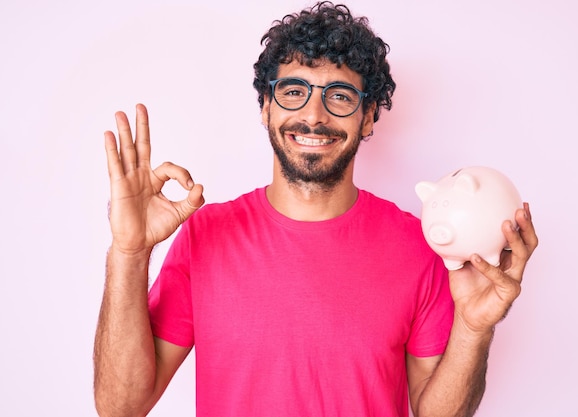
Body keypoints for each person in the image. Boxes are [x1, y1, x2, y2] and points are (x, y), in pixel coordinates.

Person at [93, 2, 538, 417]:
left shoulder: (418, 245)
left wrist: (473, 329)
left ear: (366, 118)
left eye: (340, 95)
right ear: (265, 108)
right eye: (293, 91)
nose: (314, 115)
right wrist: (128, 253)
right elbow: (120, 407)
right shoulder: (204, 236)